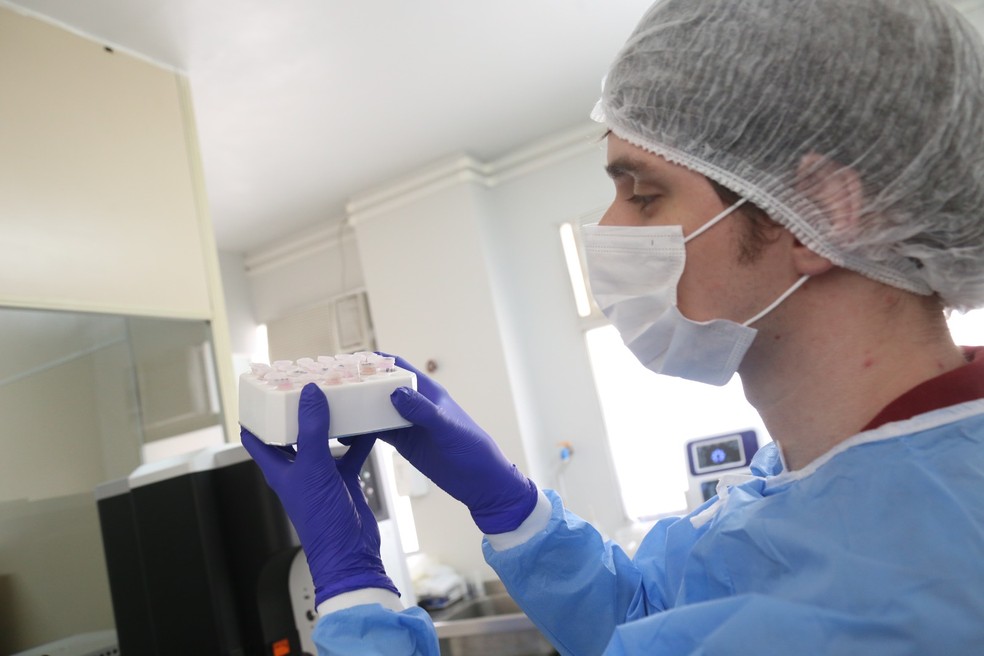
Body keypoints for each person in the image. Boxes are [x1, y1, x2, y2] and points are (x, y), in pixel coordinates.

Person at [241, 0, 984, 653]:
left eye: (645, 194)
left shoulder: (904, 595)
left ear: (820, 213)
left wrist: (354, 592)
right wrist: (513, 508)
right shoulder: (830, 484)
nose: (610, 228)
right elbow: (650, 624)